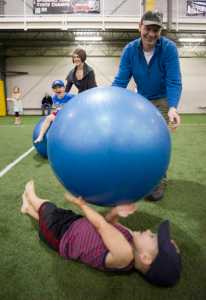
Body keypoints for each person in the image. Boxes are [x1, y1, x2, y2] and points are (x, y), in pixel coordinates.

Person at [21, 180, 182, 287]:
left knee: (48, 208)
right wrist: (116, 212)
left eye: (152, 237)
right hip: (75, 224)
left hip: (62, 236)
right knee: (51, 216)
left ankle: (32, 197)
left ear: (145, 258)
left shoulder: (124, 255)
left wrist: (81, 204)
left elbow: (100, 225)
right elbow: (109, 224)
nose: (148, 231)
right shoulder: (130, 238)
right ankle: (28, 209)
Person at [112, 10, 182, 201]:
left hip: (163, 100)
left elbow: (174, 81)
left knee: (158, 142)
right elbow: (121, 80)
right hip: (141, 100)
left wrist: (173, 107)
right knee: (138, 140)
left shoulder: (168, 49)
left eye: (156, 30)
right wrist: (110, 100)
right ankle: (142, 176)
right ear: (139, 27)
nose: (151, 34)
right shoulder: (129, 50)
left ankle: (159, 181)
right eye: (148, 28)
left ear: (160, 32)